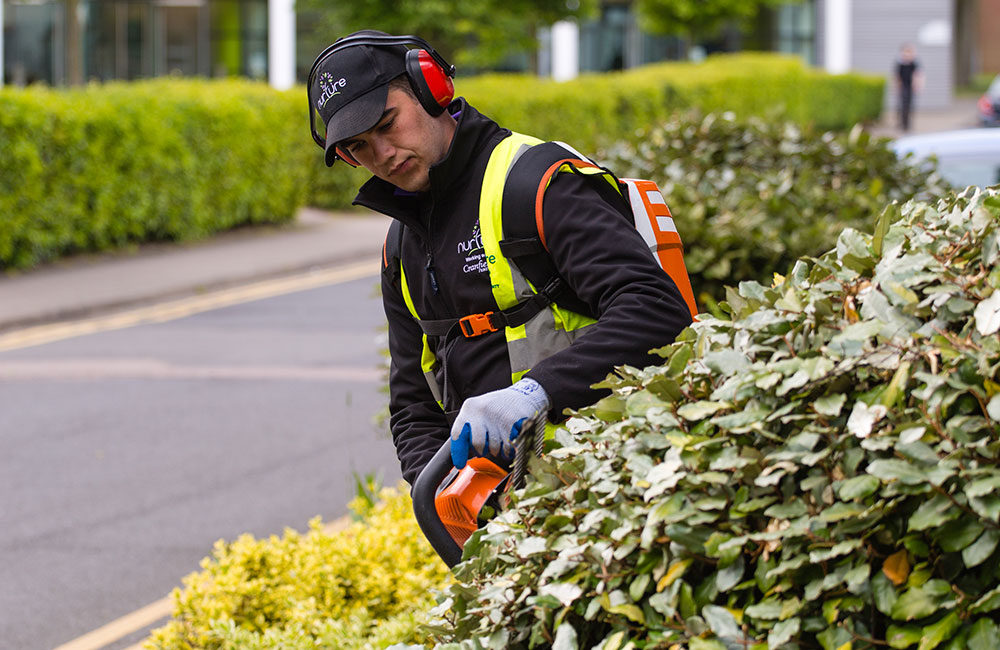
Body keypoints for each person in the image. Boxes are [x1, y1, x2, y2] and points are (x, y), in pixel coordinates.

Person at [308, 32, 693, 487]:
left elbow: (656, 309)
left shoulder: (537, 184)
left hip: (615, 479)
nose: (383, 154)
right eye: (359, 148)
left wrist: (536, 393)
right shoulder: (400, 247)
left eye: (388, 123)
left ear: (431, 90)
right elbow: (412, 405)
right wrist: (444, 496)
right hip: (508, 516)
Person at [895, 43, 924, 132]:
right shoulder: (900, 63)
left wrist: (918, 85)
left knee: (910, 105)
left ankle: (908, 124)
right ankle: (902, 123)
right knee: (902, 105)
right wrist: (897, 86)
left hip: (910, 86)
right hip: (903, 86)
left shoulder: (914, 63)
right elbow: (897, 76)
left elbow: (918, 74)